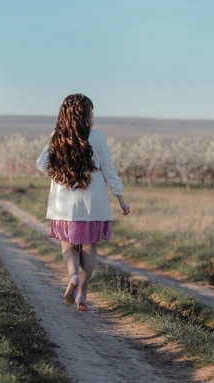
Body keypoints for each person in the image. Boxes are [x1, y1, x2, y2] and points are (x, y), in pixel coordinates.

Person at [36, 93, 130, 311]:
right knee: (89, 247)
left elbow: (41, 163)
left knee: (68, 246)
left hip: (64, 204)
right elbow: (110, 171)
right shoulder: (97, 137)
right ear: (86, 115)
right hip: (93, 204)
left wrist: (61, 172)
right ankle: (82, 294)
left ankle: (73, 276)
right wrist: (121, 200)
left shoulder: (56, 137)